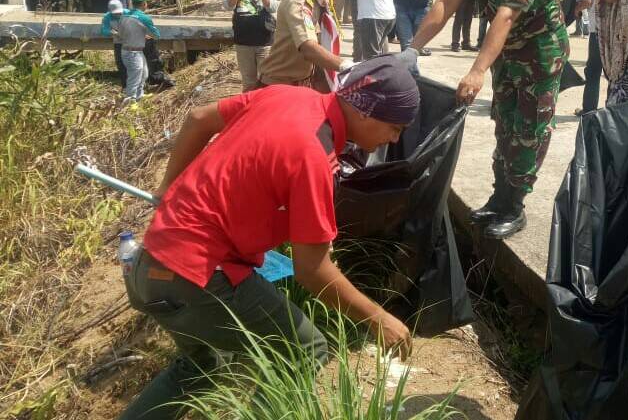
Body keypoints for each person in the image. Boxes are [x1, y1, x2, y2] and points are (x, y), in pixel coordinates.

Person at [117, 56, 417, 420]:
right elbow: (311, 271)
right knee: (305, 349)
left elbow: (198, 118)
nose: (394, 138)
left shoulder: (286, 96)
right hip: (200, 276)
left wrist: (168, 186)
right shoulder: (314, 156)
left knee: (202, 365)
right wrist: (378, 318)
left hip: (151, 261)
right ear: (366, 111)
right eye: (395, 128)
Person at [403, 0, 569, 239]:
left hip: (541, 51)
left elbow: (506, 15)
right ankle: (499, 196)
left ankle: (515, 206)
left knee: (528, 128)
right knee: (504, 121)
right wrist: (412, 49)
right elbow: (447, 0)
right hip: (505, 50)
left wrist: (477, 70)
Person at [559, 0, 601, 114]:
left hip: (598, 27)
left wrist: (576, 10)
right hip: (607, 24)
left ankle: (589, 109)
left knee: (593, 70)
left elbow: (586, 1)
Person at [225, 0, 278, 91]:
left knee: (266, 81)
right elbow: (229, 6)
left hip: (265, 43)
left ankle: (264, 105)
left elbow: (272, 8)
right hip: (243, 43)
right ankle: (249, 104)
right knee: (249, 82)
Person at [101, 0, 160, 103]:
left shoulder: (127, 14)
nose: (118, 15)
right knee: (130, 72)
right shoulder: (108, 17)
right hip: (125, 47)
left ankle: (139, 95)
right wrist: (113, 33)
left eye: (119, 13)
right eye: (115, 14)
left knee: (143, 73)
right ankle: (130, 98)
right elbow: (104, 31)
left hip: (135, 47)